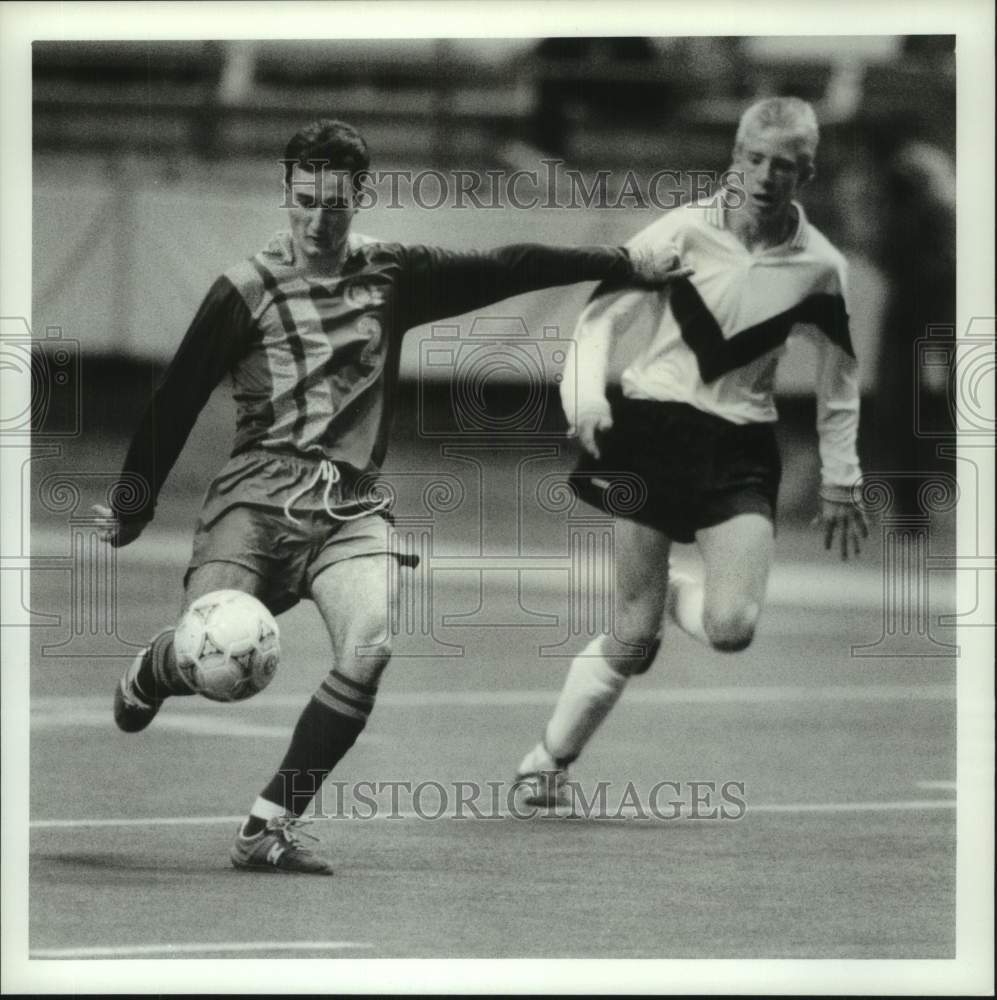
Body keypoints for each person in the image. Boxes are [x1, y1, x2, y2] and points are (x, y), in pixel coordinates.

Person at [93, 119, 687, 875]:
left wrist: (623, 259)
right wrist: (132, 504)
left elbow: (506, 266)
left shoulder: (391, 273)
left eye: (333, 204)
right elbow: (176, 397)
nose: (316, 220)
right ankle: (157, 669)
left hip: (348, 509)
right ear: (285, 192)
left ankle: (268, 825)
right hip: (254, 501)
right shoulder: (245, 290)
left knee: (369, 645)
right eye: (303, 201)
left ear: (360, 197)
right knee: (209, 653)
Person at [512, 97, 869, 805]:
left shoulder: (821, 266)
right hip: (651, 431)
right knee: (632, 638)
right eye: (754, 159)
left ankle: (675, 592)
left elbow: (838, 377)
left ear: (806, 173)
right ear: (734, 157)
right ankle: (545, 766)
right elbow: (599, 318)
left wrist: (842, 474)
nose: (766, 177)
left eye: (785, 167)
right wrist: (584, 398)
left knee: (732, 628)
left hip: (740, 446)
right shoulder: (679, 232)